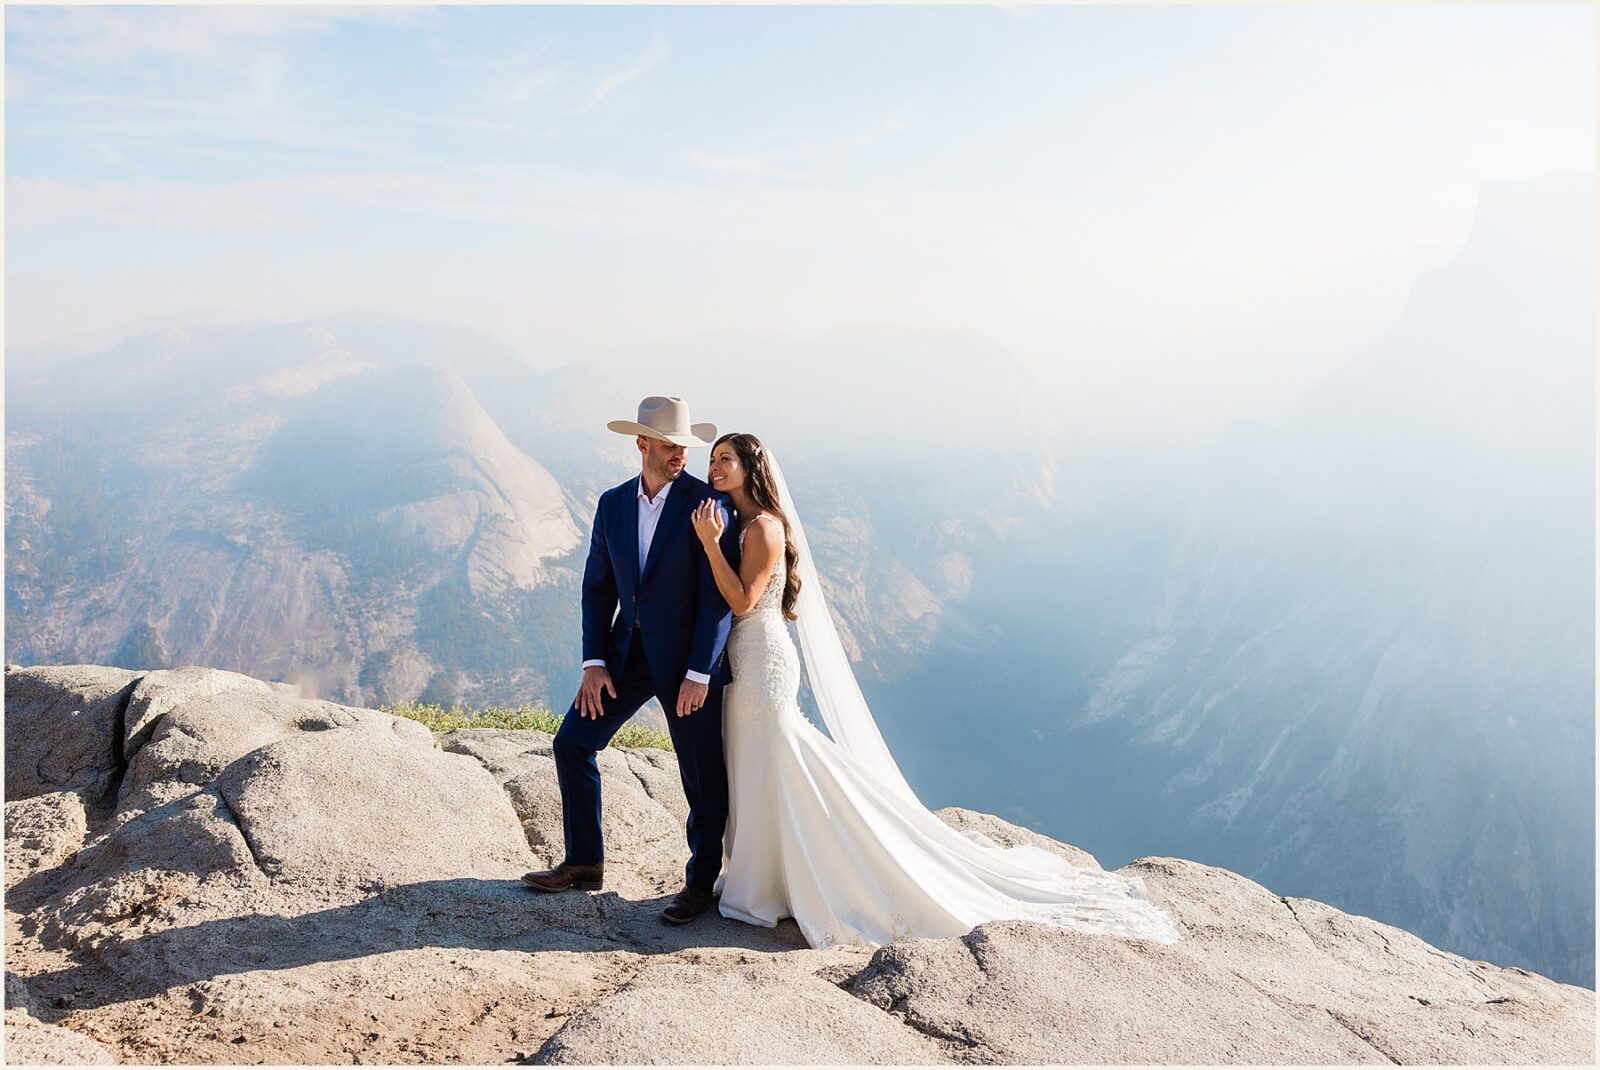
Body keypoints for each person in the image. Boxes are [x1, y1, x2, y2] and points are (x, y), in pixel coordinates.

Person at [689, 432, 1183, 949]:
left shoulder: (764, 528)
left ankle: (785, 879)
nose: (716, 467)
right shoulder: (739, 524)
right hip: (743, 663)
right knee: (754, 764)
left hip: (764, 658)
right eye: (713, 459)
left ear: (751, 467)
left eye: (726, 459)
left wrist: (707, 543)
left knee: (776, 758)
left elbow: (744, 601)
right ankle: (767, 878)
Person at [522, 396, 741, 927]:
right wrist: (594, 661)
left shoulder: (708, 506)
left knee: (699, 774)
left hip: (687, 663)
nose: (680, 456)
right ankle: (584, 862)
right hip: (624, 655)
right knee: (572, 742)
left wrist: (699, 672)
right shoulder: (612, 504)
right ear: (641, 444)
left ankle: (698, 886)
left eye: (685, 447)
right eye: (669, 446)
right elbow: (596, 588)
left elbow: (717, 598)